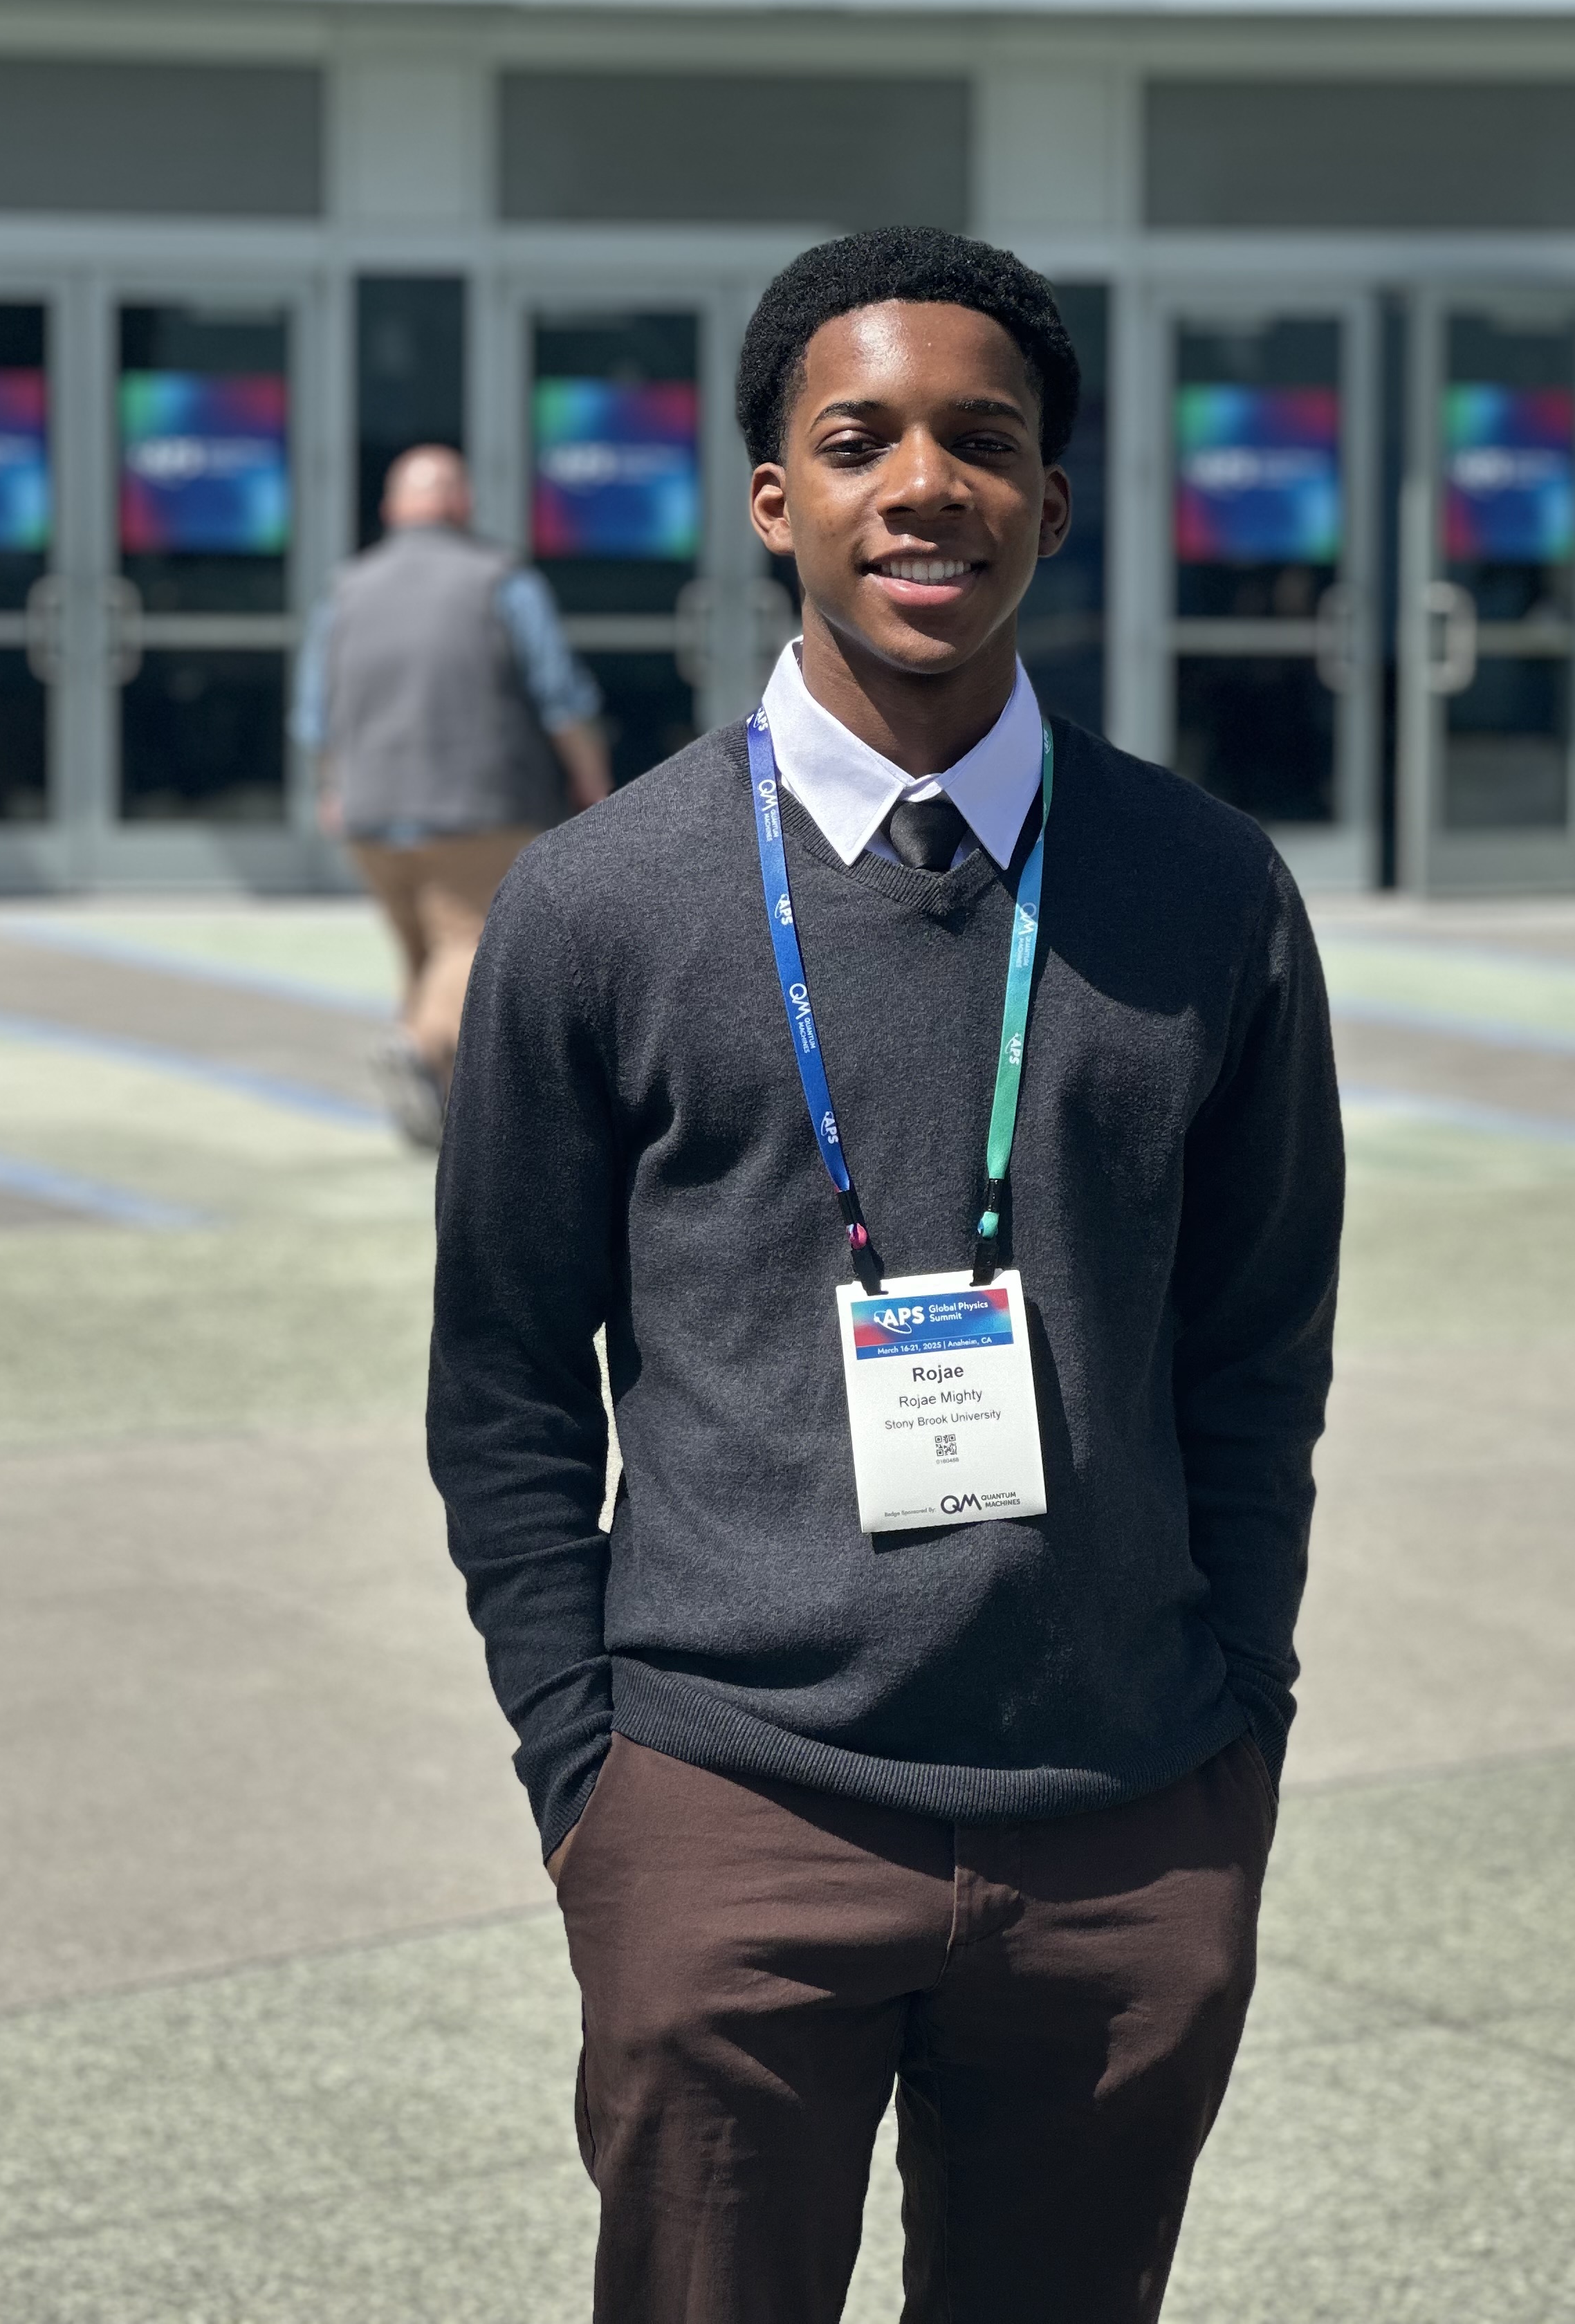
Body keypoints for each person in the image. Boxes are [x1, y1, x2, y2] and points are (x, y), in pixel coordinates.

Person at [427, 230, 1344, 2324]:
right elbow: (499, 1382)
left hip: (1124, 1823)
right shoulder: (595, 908)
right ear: (777, 500)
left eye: (981, 441)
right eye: (860, 440)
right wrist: (598, 1791)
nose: (922, 483)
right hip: (728, 1813)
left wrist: (1232, 1768)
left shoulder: (1207, 896)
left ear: (1050, 497)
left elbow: (1255, 1362)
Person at [292, 442, 611, 1147]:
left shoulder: (345, 588)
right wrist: (589, 775)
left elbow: (315, 712)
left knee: (420, 953)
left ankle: (435, 1104)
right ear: (462, 502)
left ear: (391, 508)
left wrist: (330, 787)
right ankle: (418, 1050)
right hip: (477, 808)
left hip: (369, 814)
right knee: (467, 942)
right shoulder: (502, 580)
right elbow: (559, 695)